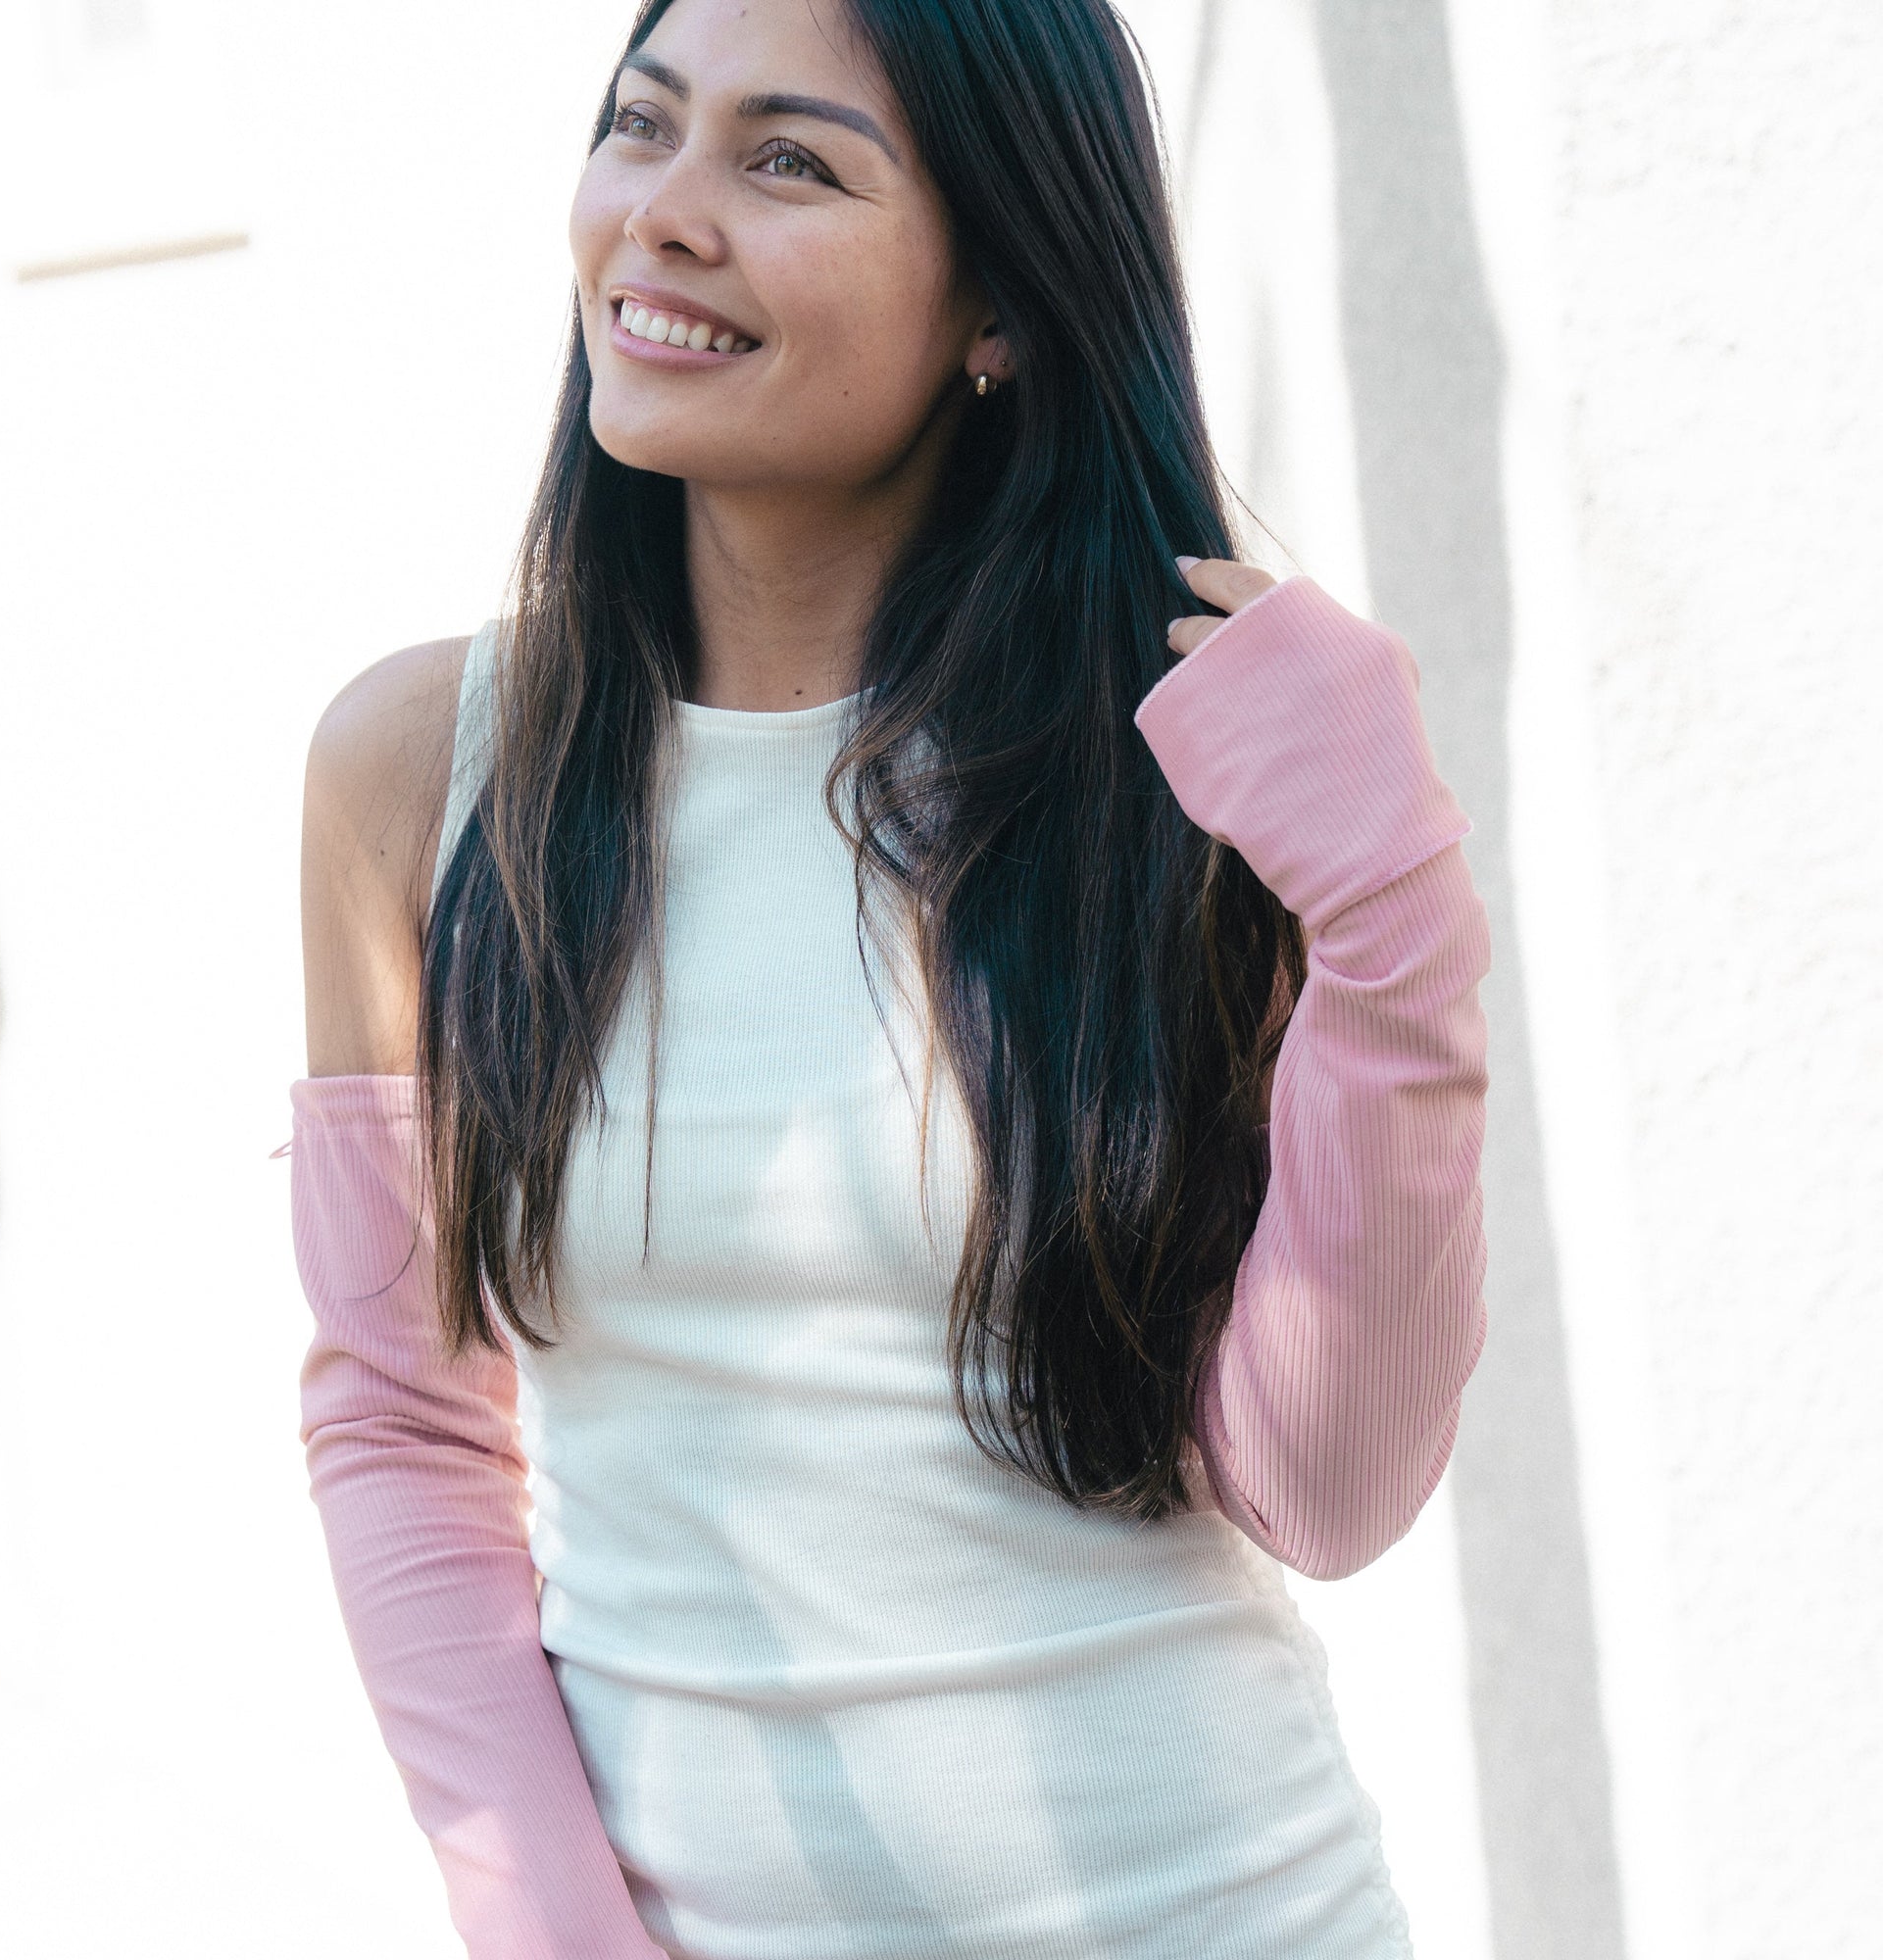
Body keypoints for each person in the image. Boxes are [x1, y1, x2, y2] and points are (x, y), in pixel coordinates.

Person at [287, 0, 1491, 1953]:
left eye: (787, 161)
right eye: (641, 126)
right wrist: (550, 1927)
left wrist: (1394, 936)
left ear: (996, 306)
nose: (662, 214)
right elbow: (409, 1434)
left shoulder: (1180, 771)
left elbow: (1324, 1484)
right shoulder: (426, 775)